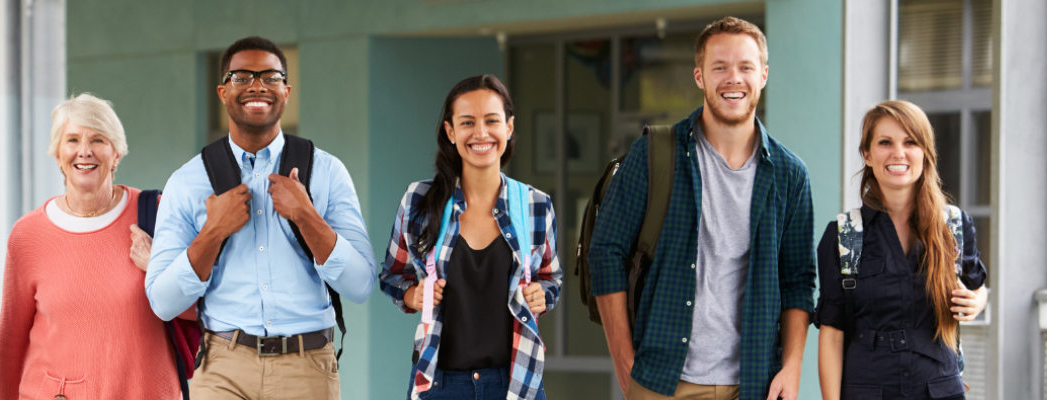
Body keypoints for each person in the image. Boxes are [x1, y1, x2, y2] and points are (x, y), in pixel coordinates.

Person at [588, 16, 816, 400]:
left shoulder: (790, 174)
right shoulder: (654, 154)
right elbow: (605, 252)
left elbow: (798, 280)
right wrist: (623, 357)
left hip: (754, 383)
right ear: (699, 76)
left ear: (762, 75)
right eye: (720, 67)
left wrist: (792, 368)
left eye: (745, 67)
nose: (733, 78)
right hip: (662, 380)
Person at [144, 36, 375, 400]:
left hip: (307, 367)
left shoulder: (327, 172)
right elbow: (163, 301)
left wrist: (306, 215)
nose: (256, 86)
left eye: (270, 77)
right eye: (242, 77)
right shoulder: (188, 181)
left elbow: (361, 285)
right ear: (223, 92)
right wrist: (213, 232)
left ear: (286, 90)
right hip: (221, 366)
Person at [0, 93, 186, 399]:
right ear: (57, 154)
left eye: (97, 140)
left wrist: (158, 269)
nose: (84, 152)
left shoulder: (158, 214)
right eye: (72, 140)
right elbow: (10, 344)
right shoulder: (27, 234)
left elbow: (200, 311)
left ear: (116, 153)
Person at [378, 75, 562, 400]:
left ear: (508, 127)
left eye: (492, 121)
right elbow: (393, 274)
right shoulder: (419, 201)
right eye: (467, 122)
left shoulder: (535, 205)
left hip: (516, 382)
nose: (481, 133)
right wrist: (412, 296)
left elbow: (550, 279)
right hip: (439, 384)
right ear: (451, 131)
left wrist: (542, 294)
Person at [815, 100, 988, 400]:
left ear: (925, 153)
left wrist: (976, 302)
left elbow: (978, 286)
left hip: (940, 389)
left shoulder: (954, 226)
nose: (898, 153)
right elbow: (831, 335)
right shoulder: (844, 235)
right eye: (885, 142)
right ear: (867, 155)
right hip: (866, 390)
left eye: (910, 142)